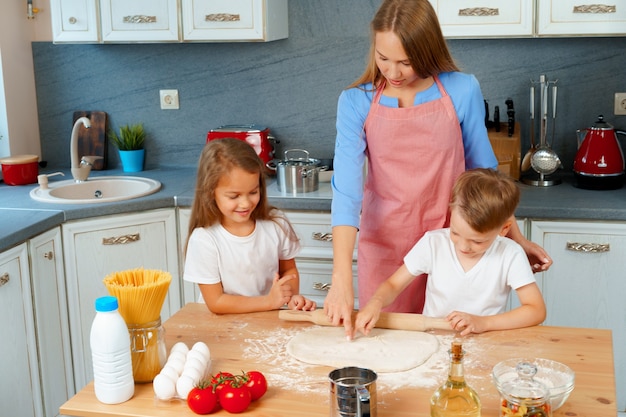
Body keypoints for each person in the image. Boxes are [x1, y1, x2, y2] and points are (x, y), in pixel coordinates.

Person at [326, 0, 552, 337]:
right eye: (383, 58)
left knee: (453, 340)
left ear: (428, 51)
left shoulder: (461, 89)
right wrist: (340, 277)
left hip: (455, 240)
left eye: (406, 61)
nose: (393, 73)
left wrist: (515, 238)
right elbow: (346, 192)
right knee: (390, 342)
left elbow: (484, 174)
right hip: (386, 244)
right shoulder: (355, 101)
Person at [354, 168, 547, 339]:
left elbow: (536, 310)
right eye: (455, 232)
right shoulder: (434, 243)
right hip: (431, 342)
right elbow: (393, 284)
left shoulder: (510, 255)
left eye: (477, 241)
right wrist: (375, 303)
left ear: (504, 229)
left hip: (485, 344)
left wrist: (483, 323)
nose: (463, 246)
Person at [183, 138, 317, 314]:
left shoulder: (276, 224)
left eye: (253, 192)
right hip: (221, 328)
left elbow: (288, 270)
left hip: (267, 320)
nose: (245, 203)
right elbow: (216, 302)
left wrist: (290, 298)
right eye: (234, 196)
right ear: (210, 193)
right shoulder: (204, 239)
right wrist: (269, 302)